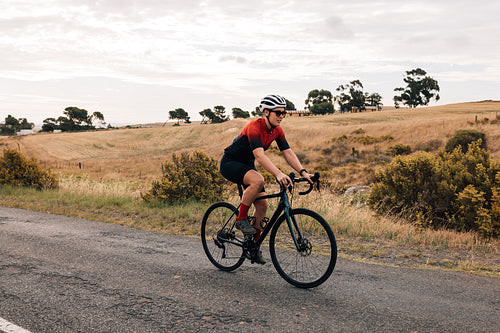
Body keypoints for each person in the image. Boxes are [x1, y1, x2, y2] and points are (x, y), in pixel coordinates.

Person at [220, 94, 313, 264]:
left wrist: (303, 172)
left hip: (246, 164)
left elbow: (288, 153)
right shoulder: (254, 127)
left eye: (283, 113)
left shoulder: (277, 130)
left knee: (262, 206)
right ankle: (241, 219)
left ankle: (252, 246)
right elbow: (259, 155)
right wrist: (278, 174)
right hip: (230, 163)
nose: (281, 116)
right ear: (266, 112)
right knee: (258, 180)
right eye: (277, 113)